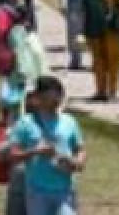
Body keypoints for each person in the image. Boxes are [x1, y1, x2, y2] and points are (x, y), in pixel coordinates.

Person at [8, 75, 87, 215]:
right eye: (51, 98)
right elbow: (13, 155)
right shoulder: (25, 123)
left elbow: (80, 149)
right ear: (39, 98)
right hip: (37, 192)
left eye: (58, 97)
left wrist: (77, 162)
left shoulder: (69, 121)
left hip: (65, 190)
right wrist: (35, 151)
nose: (56, 102)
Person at [83, 0, 119, 102]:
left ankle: (112, 91)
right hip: (95, 30)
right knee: (98, 61)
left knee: (113, 61)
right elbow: (86, 10)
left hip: (112, 29)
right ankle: (100, 90)